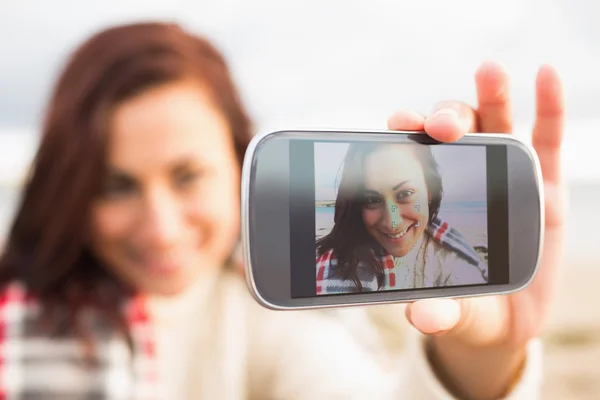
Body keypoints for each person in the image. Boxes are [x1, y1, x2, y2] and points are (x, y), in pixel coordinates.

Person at [0, 21, 566, 400]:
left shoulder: (272, 308)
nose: (162, 227)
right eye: (115, 187)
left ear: (237, 160)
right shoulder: (16, 321)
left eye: (188, 176)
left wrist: (486, 355)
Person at [316, 142, 488, 294]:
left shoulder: (456, 265)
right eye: (372, 199)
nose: (393, 222)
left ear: (429, 191)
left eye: (405, 193)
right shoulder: (326, 269)